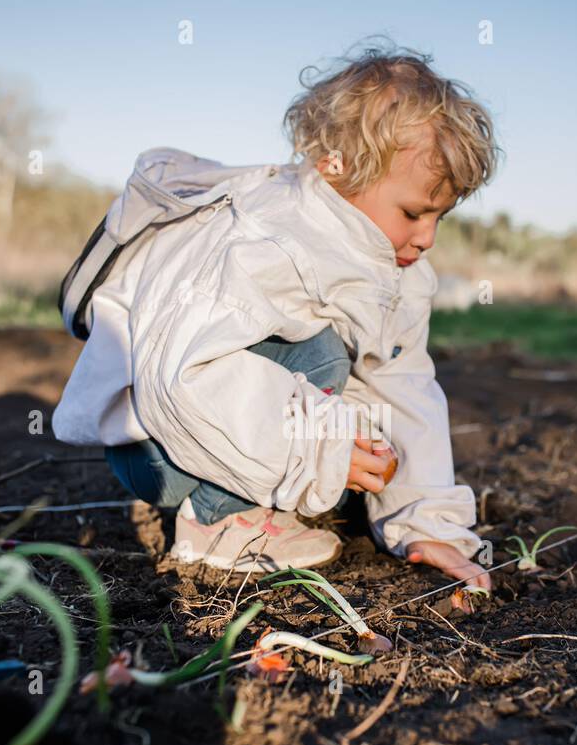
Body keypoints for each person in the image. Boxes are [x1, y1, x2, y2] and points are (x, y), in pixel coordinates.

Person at [52, 42, 499, 593]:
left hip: (211, 433)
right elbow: (181, 377)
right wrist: (319, 448)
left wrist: (426, 523)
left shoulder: (395, 270)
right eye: (412, 213)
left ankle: (253, 494)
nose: (427, 239)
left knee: (347, 370)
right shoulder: (268, 240)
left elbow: (402, 382)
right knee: (324, 353)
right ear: (339, 170)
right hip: (155, 445)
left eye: (439, 217)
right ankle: (218, 523)